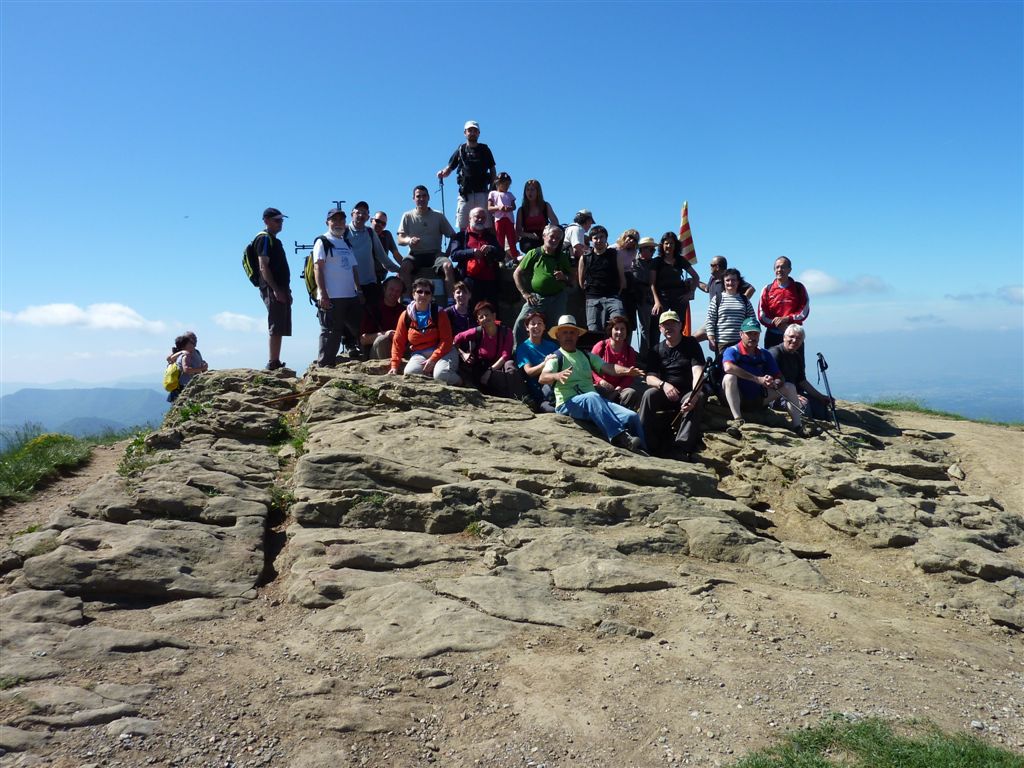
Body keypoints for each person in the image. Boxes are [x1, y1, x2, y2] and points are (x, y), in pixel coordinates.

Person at [539, 315, 647, 453]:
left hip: (593, 402)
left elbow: (608, 367)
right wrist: (557, 375)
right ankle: (620, 437)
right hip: (567, 404)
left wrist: (627, 371)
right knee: (592, 396)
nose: (568, 336)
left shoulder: (586, 355)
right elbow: (542, 377)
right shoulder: (556, 357)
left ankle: (644, 450)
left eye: (572, 332)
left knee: (632, 416)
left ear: (577, 335)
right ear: (558, 336)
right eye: (564, 332)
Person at [721, 318, 810, 437]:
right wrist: (757, 379)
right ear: (741, 334)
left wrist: (774, 382)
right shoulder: (732, 351)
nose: (753, 337)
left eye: (756, 334)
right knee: (729, 378)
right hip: (738, 397)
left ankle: (797, 426)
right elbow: (728, 367)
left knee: (790, 387)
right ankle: (738, 420)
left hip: (758, 398)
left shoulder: (764, 354)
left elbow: (779, 377)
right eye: (749, 333)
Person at [637, 311, 706, 459]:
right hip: (665, 392)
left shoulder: (691, 344)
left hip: (686, 392)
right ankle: (642, 440)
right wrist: (664, 385)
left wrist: (693, 397)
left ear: (680, 325)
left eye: (672, 323)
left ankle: (681, 447)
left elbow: (698, 372)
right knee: (649, 394)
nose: (669, 327)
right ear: (660, 328)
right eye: (665, 325)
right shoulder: (656, 350)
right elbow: (650, 378)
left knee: (699, 397)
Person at [313, 207, 364, 367]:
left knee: (357, 328)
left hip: (350, 296)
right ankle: (324, 366)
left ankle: (363, 357)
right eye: (334, 220)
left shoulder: (346, 243)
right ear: (327, 222)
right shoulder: (323, 241)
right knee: (330, 332)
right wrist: (323, 294)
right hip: (332, 296)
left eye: (341, 220)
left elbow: (354, 268)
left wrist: (359, 289)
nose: (338, 223)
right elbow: (318, 268)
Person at [388, 278, 461, 384]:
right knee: (410, 373)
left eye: (427, 292)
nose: (423, 295)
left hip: (444, 353)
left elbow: (446, 341)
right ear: (413, 294)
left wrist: (433, 359)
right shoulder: (405, 316)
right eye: (419, 291)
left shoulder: (439, 313)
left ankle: (462, 383)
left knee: (441, 375)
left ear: (431, 296)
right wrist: (394, 366)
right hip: (419, 354)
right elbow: (398, 342)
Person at [512, 224, 573, 345]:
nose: (554, 240)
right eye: (552, 236)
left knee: (555, 329)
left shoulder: (562, 256)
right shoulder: (534, 253)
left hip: (557, 298)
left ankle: (553, 354)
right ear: (544, 236)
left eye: (558, 238)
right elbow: (517, 273)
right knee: (521, 323)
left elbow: (572, 278)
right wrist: (525, 293)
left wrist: (564, 277)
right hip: (537, 298)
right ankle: (517, 352)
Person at [454, 301, 527, 400]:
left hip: (499, 365)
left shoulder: (506, 332)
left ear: (494, 316)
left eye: (487, 315)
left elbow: (505, 355)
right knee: (500, 378)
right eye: (481, 317)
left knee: (510, 366)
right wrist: (463, 354)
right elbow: (455, 340)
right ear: (478, 321)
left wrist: (490, 370)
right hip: (482, 368)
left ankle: (521, 398)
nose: (485, 318)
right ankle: (514, 399)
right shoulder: (477, 332)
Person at [398, 185, 457, 298]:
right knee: (404, 266)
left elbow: (453, 236)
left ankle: (450, 299)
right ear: (413, 199)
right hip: (415, 254)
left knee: (448, 265)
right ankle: (406, 299)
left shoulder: (438, 215)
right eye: (418, 196)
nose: (421, 199)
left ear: (428, 197)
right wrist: (409, 240)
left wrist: (447, 253)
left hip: (435, 254)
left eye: (424, 196)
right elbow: (400, 239)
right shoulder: (407, 216)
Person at [437, 120, 496, 231]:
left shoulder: (485, 150)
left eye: (475, 131)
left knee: (486, 225)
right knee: (463, 225)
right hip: (465, 194)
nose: (472, 133)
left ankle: (486, 242)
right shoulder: (460, 150)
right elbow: (449, 168)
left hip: (482, 193)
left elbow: (493, 170)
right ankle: (464, 243)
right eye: (470, 130)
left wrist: (492, 190)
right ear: (465, 133)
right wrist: (442, 173)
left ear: (478, 133)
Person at [768, 324, 833, 421]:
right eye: (791, 337)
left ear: (802, 342)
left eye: (798, 338)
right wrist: (792, 396)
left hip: (794, 394)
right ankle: (803, 427)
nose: (794, 340)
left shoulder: (796, 356)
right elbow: (770, 382)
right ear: (784, 337)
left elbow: (802, 381)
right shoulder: (774, 353)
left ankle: (825, 427)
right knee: (804, 405)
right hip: (776, 396)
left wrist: (821, 397)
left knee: (820, 405)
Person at [254, 207, 291, 371]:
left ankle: (275, 360)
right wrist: (275, 289)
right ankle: (273, 361)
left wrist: (286, 290)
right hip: (272, 287)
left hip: (280, 287)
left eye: (281, 220)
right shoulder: (264, 239)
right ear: (266, 221)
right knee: (276, 323)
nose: (280, 223)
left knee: (280, 323)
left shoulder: (273, 240)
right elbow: (263, 266)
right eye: (277, 220)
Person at [577, 225, 626, 334]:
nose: (599, 240)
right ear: (591, 240)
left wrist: (617, 293)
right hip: (593, 299)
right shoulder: (585, 257)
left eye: (601, 237)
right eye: (595, 238)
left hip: (613, 297)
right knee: (594, 332)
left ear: (606, 238)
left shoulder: (615, 255)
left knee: (618, 327)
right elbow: (581, 281)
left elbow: (622, 279)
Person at [693, 255, 754, 343]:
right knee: (692, 339)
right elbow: (706, 288)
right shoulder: (712, 279)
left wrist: (740, 302)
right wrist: (695, 282)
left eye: (711, 265)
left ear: (717, 267)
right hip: (713, 318)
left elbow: (751, 289)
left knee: (692, 339)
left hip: (726, 321)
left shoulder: (730, 278)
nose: (710, 267)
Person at [448, 208, 501, 308]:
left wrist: (491, 249)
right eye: (477, 217)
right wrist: (472, 252)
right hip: (470, 281)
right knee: (471, 311)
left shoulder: (491, 237)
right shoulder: (460, 236)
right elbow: (454, 255)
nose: (480, 220)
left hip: (490, 281)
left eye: (483, 218)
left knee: (492, 310)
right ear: (469, 218)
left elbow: (501, 254)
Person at [349, 202, 398, 308]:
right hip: (348, 286)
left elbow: (383, 258)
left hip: (370, 285)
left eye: (364, 213)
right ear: (352, 214)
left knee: (374, 316)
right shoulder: (344, 232)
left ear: (368, 217)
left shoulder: (370, 233)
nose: (361, 215)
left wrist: (400, 270)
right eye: (358, 212)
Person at [650, 231, 700, 337]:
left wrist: (690, 293)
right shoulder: (657, 261)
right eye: (666, 243)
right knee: (655, 326)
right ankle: (655, 347)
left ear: (676, 245)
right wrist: (657, 302)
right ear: (662, 245)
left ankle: (679, 346)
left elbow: (696, 277)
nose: (669, 246)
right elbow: (652, 283)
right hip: (662, 296)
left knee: (679, 325)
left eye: (671, 243)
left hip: (679, 296)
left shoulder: (680, 260)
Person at [590, 314, 644, 408]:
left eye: (622, 329)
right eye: (616, 329)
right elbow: (590, 367)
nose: (619, 332)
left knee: (631, 393)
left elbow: (630, 375)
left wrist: (620, 387)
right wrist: (601, 381)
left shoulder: (630, 351)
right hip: (602, 386)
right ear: (611, 330)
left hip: (620, 390)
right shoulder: (601, 346)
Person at [758, 256, 810, 349]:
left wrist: (787, 319)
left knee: (795, 360)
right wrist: (778, 324)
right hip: (773, 336)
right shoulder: (767, 289)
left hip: (795, 337)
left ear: (789, 270)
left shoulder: (799, 288)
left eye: (783, 267)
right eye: (777, 267)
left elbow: (804, 311)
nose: (779, 270)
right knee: (771, 359)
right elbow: (762, 315)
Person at [515, 311, 559, 412]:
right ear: (527, 327)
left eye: (539, 323)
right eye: (533, 323)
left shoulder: (552, 346)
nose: (536, 326)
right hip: (540, 395)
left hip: (557, 388)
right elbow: (529, 372)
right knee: (553, 410)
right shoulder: (523, 348)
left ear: (544, 327)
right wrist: (545, 363)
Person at [706, 268, 756, 354]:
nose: (730, 282)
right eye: (727, 280)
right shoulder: (717, 299)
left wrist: (752, 338)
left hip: (741, 343)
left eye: (733, 280)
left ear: (738, 282)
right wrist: (711, 338)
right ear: (723, 282)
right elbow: (710, 320)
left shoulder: (744, 300)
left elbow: (752, 321)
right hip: (722, 343)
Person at [360, 276, 406, 360]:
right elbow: (363, 339)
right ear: (384, 289)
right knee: (382, 340)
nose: (394, 293)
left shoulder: (405, 311)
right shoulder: (372, 309)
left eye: (398, 291)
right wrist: (386, 334)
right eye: (391, 289)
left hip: (399, 349)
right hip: (377, 352)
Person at [633, 237, 660, 360]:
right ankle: (643, 357)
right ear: (643, 249)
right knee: (643, 328)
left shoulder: (655, 264)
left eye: (653, 250)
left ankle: (651, 356)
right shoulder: (633, 262)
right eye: (651, 249)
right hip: (637, 298)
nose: (653, 252)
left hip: (650, 300)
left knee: (653, 329)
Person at [515, 179, 558, 255]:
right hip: (529, 238)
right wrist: (529, 235)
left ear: (538, 192)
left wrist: (546, 231)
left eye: (532, 190)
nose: (529, 192)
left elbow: (555, 222)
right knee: (530, 246)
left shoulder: (545, 206)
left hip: (544, 236)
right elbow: (518, 231)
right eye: (527, 190)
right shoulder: (521, 210)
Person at [487, 172, 519, 263]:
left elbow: (514, 206)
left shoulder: (510, 194)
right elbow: (489, 208)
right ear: (498, 183)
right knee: (499, 239)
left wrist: (509, 208)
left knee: (511, 239)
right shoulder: (493, 193)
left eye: (508, 184)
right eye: (504, 184)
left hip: (509, 220)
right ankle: (500, 259)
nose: (507, 186)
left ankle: (515, 258)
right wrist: (499, 208)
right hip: (499, 219)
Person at [166, 332, 207, 402]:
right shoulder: (183, 353)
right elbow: (169, 359)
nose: (195, 340)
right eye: (192, 338)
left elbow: (200, 367)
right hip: (183, 386)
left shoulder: (197, 352)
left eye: (195, 338)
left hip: (192, 383)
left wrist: (204, 369)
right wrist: (181, 352)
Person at [617, 229, 641, 334]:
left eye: (635, 240)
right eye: (630, 237)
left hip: (629, 284)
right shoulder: (613, 249)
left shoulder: (633, 252)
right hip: (615, 282)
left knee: (629, 316)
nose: (631, 241)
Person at [371, 211, 405, 286]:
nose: (380, 225)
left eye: (383, 224)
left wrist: (406, 268)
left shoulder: (386, 235)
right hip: (365, 276)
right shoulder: (365, 234)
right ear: (371, 220)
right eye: (377, 221)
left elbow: (396, 254)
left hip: (379, 277)